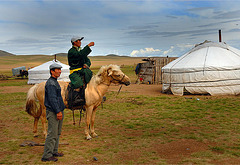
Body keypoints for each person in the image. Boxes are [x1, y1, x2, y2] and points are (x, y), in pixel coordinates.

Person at [41, 63, 65, 162]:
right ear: (52, 71)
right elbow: (52, 99)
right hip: (54, 111)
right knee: (52, 134)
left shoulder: (55, 82)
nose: (60, 71)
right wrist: (58, 111)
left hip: (58, 110)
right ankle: (47, 155)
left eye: (60, 69)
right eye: (57, 69)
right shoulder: (51, 83)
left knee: (57, 133)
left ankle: (54, 151)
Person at [67, 37, 94, 105]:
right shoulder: (71, 51)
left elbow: (88, 60)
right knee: (78, 83)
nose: (80, 42)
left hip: (82, 70)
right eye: (78, 40)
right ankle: (76, 98)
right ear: (74, 42)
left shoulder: (80, 51)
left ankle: (93, 96)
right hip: (74, 72)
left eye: (80, 40)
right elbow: (79, 55)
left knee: (91, 79)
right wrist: (88, 46)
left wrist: (86, 64)